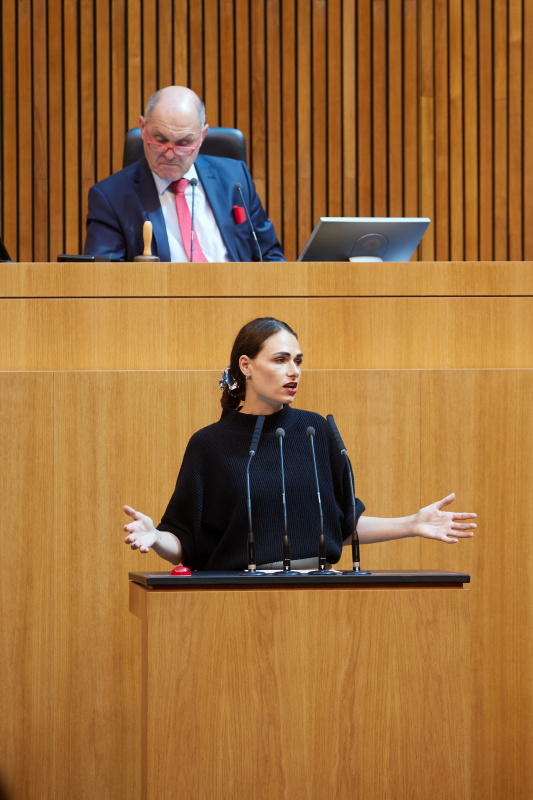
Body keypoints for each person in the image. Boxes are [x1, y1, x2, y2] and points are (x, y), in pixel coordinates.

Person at [124, 317, 476, 570]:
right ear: (246, 366)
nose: (294, 371)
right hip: (235, 601)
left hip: (318, 596)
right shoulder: (208, 444)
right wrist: (156, 537)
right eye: (280, 360)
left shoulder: (314, 430)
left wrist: (412, 524)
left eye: (298, 361)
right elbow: (184, 541)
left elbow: (340, 526)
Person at [84, 86, 285, 262]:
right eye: (160, 140)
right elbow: (105, 278)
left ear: (202, 136)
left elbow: (269, 254)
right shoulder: (111, 198)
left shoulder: (235, 179)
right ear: (143, 128)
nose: (170, 154)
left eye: (183, 144)